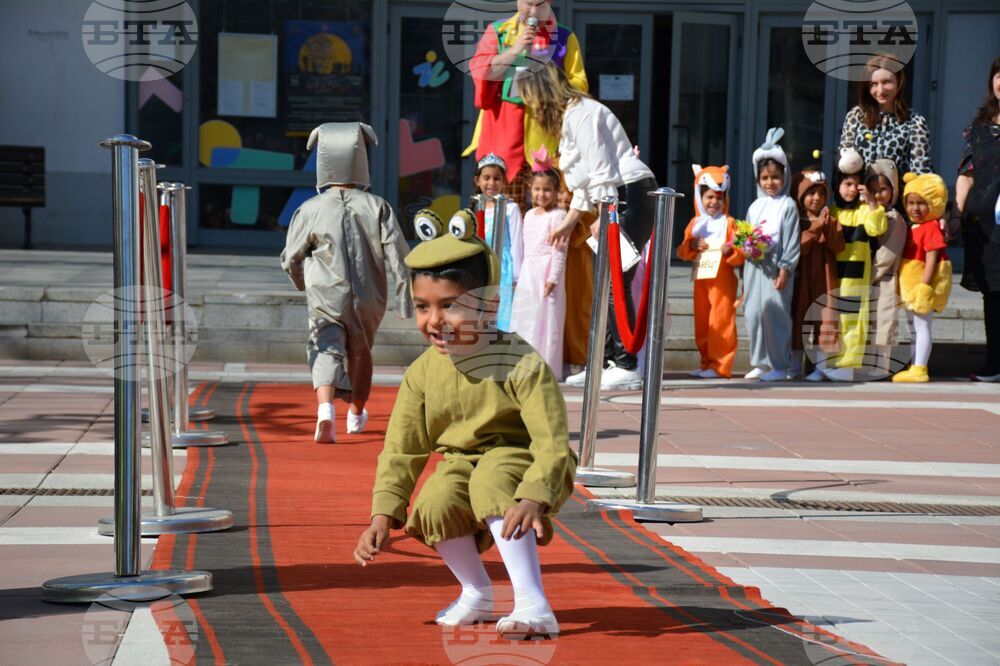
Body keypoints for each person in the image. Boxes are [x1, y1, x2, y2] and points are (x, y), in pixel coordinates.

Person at [353, 210, 576, 639]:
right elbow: (402, 448)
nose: (434, 320)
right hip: (461, 463)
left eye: (450, 305)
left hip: (521, 461)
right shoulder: (421, 373)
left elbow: (551, 439)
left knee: (491, 479)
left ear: (490, 305)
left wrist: (533, 495)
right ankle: (476, 591)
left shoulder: (522, 361)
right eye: (422, 307)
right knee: (435, 502)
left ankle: (533, 602)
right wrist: (383, 513)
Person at [519, 63, 658, 391]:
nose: (531, 109)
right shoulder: (571, 119)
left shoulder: (581, 115)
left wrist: (603, 214)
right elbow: (583, 181)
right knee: (605, 281)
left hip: (628, 193)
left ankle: (626, 364)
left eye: (530, 100)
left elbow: (601, 171)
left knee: (614, 281)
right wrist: (568, 224)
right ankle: (606, 362)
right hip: (617, 196)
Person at [281, 122, 411, 443]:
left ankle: (325, 409)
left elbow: (290, 258)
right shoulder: (378, 206)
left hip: (326, 294)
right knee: (360, 352)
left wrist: (301, 282)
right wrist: (405, 298)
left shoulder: (310, 209)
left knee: (325, 347)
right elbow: (399, 254)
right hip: (369, 296)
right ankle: (356, 412)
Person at [464, 0, 588, 206]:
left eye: (539, 4)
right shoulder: (498, 31)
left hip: (546, 140)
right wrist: (515, 50)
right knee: (500, 212)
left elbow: (580, 84)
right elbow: (480, 69)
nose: (533, 11)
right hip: (501, 137)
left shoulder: (565, 38)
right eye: (528, 4)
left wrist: (548, 81)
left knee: (548, 214)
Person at [742, 128, 801, 382]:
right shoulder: (755, 206)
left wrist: (786, 268)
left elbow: (791, 241)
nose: (770, 183)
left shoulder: (787, 206)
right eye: (765, 178)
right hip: (755, 266)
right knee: (754, 312)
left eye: (775, 177)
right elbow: (746, 233)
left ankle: (779, 363)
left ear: (784, 176)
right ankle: (761, 362)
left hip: (776, 265)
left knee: (775, 314)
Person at [676, 164, 745, 379]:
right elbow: (683, 251)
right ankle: (706, 362)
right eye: (709, 197)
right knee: (703, 322)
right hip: (701, 278)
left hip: (722, 280)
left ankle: (720, 365)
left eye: (719, 198)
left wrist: (730, 249)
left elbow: (742, 251)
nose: (714, 202)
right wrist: (693, 245)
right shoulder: (695, 223)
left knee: (721, 320)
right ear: (700, 197)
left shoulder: (730, 223)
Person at [825, 148, 887, 382]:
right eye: (847, 184)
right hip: (833, 275)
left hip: (856, 276)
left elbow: (876, 228)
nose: (851, 189)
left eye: (856, 185)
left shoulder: (865, 211)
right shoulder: (831, 212)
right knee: (833, 319)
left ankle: (847, 365)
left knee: (852, 320)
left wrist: (871, 203)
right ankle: (829, 363)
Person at [956, 56, 1000, 382]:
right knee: (993, 293)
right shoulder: (980, 126)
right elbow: (966, 172)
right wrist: (956, 213)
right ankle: (993, 363)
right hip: (985, 225)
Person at [893, 173, 953, 383]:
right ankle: (914, 364)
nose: (915, 208)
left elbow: (932, 256)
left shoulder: (931, 227)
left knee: (922, 326)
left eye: (921, 203)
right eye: (910, 203)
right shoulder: (914, 227)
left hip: (920, 286)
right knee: (912, 328)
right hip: (911, 286)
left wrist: (925, 285)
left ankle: (920, 367)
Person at [510, 166, 569, 379]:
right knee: (528, 317)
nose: (541, 194)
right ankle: (524, 363)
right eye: (536, 189)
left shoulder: (559, 216)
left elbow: (560, 250)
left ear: (556, 191)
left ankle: (546, 367)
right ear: (529, 189)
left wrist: (553, 277)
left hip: (546, 272)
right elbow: (525, 247)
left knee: (547, 318)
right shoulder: (528, 215)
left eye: (546, 190)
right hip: (529, 271)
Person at [790, 170, 844, 382]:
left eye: (821, 193)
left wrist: (827, 226)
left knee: (824, 320)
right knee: (800, 319)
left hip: (825, 279)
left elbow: (838, 246)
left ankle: (820, 367)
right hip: (801, 279)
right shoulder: (797, 220)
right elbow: (799, 248)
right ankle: (794, 365)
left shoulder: (831, 219)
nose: (816, 198)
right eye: (811, 193)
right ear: (801, 196)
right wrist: (816, 227)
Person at [839, 53, 931, 176]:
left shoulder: (915, 121)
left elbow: (921, 172)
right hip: (861, 193)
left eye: (886, 82)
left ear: (899, 82)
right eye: (874, 84)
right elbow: (845, 161)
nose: (880, 91)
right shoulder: (855, 116)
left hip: (899, 194)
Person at [866, 159, 908, 378]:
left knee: (884, 323)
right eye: (872, 190)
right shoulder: (869, 215)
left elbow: (886, 256)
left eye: (883, 189)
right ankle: (869, 364)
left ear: (893, 189)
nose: (878, 195)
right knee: (869, 323)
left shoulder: (895, 220)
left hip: (885, 279)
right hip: (870, 280)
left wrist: (868, 274)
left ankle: (882, 366)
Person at [473, 153, 524, 332]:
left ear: (504, 181)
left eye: (497, 178)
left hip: (503, 267)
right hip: (481, 266)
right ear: (477, 180)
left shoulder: (510, 208)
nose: (491, 183)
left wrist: (517, 276)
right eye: (486, 178)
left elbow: (517, 242)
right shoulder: (475, 207)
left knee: (501, 310)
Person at [557, 182, 593, 376]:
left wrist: (571, 222)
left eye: (567, 198)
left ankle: (579, 358)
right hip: (553, 267)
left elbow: (585, 235)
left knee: (577, 310)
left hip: (578, 265)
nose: (563, 201)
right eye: (560, 197)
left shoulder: (587, 210)